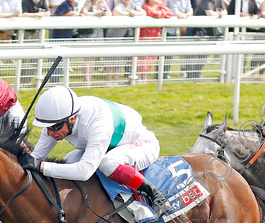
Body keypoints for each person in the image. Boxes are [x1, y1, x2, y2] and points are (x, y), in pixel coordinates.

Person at [22, 85, 173, 216]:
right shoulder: (59, 118)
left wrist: (41, 166)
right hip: (108, 145)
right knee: (68, 161)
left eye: (55, 127)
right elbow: (35, 157)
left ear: (72, 118)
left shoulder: (97, 122)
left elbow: (84, 171)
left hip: (141, 144)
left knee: (108, 164)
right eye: (46, 127)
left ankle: (156, 196)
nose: (49, 133)